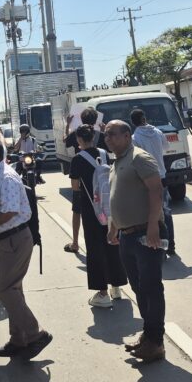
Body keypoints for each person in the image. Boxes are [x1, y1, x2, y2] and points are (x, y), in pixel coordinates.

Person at [0, 135, 52, 359]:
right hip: (5, 240)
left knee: (5, 289)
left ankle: (35, 333)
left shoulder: (6, 176)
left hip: (14, 239)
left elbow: (10, 210)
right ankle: (18, 340)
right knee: (14, 290)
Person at [104, 120, 167, 363]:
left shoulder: (140, 158)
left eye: (112, 134)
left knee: (151, 288)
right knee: (139, 287)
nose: (108, 139)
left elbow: (156, 191)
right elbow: (118, 196)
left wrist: (153, 226)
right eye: (106, 135)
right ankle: (148, 335)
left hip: (146, 233)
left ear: (127, 135)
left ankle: (156, 341)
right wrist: (113, 227)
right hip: (127, 235)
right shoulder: (118, 161)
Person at [69, 125, 126, 307]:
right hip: (110, 206)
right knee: (112, 244)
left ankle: (102, 293)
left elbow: (75, 187)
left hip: (91, 209)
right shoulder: (104, 153)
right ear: (94, 137)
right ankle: (116, 287)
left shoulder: (78, 159)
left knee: (95, 249)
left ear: (79, 140)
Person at [130, 107, 176, 257]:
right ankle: (171, 245)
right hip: (162, 175)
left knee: (152, 212)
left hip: (146, 178)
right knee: (165, 211)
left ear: (132, 122)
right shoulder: (157, 132)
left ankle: (157, 244)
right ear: (145, 118)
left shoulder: (134, 138)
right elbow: (167, 147)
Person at [63, 107, 102, 254]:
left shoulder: (77, 134)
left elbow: (65, 142)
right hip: (100, 182)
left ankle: (74, 243)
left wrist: (67, 125)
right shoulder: (100, 135)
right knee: (103, 210)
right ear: (96, 119)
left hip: (81, 180)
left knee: (77, 211)